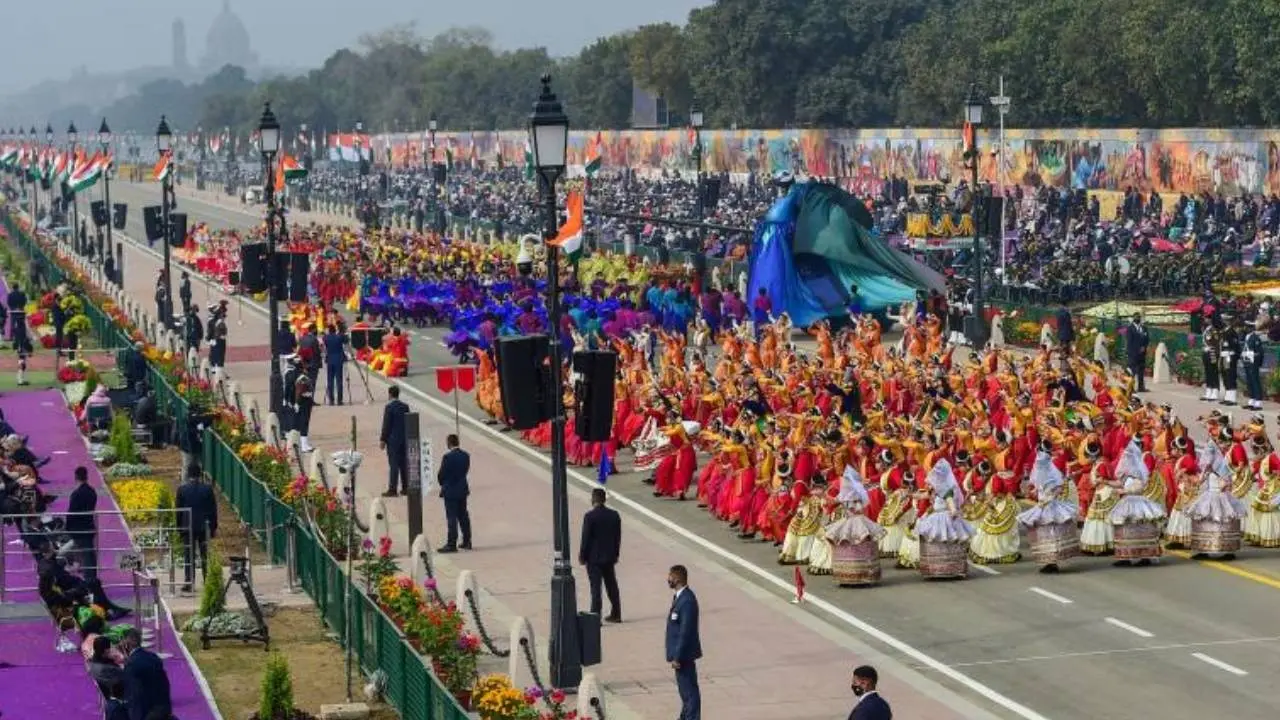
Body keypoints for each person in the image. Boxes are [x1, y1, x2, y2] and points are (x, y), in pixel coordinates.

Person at [578, 487, 622, 622]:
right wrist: (616, 554)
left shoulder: (590, 516)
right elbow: (617, 537)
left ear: (593, 499)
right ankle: (616, 613)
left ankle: (596, 616)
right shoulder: (614, 515)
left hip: (594, 558)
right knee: (612, 585)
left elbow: (586, 538)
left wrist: (582, 555)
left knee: (596, 588)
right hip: (609, 556)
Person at [665, 564, 701, 720]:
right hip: (681, 655)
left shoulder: (687, 601)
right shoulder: (680, 597)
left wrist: (677, 657)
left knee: (689, 692)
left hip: (683, 655)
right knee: (685, 692)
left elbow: (685, 632)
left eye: (670, 576)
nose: (668, 579)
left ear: (678, 578)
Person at [175, 463, 217, 593]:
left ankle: (189, 581)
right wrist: (213, 527)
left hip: (188, 526)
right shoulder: (207, 489)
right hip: (204, 526)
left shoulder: (182, 490)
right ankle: (208, 580)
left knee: (189, 554)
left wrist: (179, 528)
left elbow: (178, 511)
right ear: (200, 474)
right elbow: (213, 510)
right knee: (205, 554)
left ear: (188, 474)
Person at [121, 627, 173, 720]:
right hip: (162, 706)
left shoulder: (131, 664)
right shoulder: (154, 656)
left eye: (123, 641)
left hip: (145, 712)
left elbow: (132, 693)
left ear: (128, 642)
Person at [436, 433, 471, 553]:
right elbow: (465, 470)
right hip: (462, 489)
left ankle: (452, 543)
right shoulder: (465, 455)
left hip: (450, 490)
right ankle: (467, 540)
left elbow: (441, 474)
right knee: (463, 515)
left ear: (449, 443)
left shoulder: (447, 457)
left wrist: (443, 483)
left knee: (451, 517)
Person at [65, 466, 98, 582]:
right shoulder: (92, 491)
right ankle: (92, 577)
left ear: (76, 477)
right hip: (89, 526)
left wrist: (68, 528)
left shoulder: (76, 494)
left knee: (85, 556)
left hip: (79, 529)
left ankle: (89, 580)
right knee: (89, 554)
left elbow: (71, 513)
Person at [379, 386, 410, 497]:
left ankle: (393, 489)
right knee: (404, 464)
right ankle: (406, 487)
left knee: (394, 465)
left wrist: (383, 439)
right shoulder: (405, 406)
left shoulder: (389, 408)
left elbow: (386, 425)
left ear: (390, 394)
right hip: (404, 439)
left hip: (393, 441)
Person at [323, 323, 348, 405]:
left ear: (329, 330)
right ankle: (339, 400)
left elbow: (325, 343)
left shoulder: (325, 337)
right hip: (338, 360)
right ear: (335, 330)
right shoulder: (340, 336)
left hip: (330, 360)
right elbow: (346, 340)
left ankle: (331, 400)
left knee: (330, 380)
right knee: (339, 380)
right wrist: (342, 331)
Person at [1126, 313, 1149, 392]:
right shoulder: (1130, 328)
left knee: (1141, 371)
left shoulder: (1144, 328)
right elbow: (1129, 342)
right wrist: (1131, 351)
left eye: (1139, 317)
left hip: (1142, 353)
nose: (1138, 319)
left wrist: (1144, 347)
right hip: (1133, 353)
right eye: (1136, 317)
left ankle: (1141, 387)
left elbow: (1147, 339)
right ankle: (1131, 387)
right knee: (1132, 371)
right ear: (1133, 318)